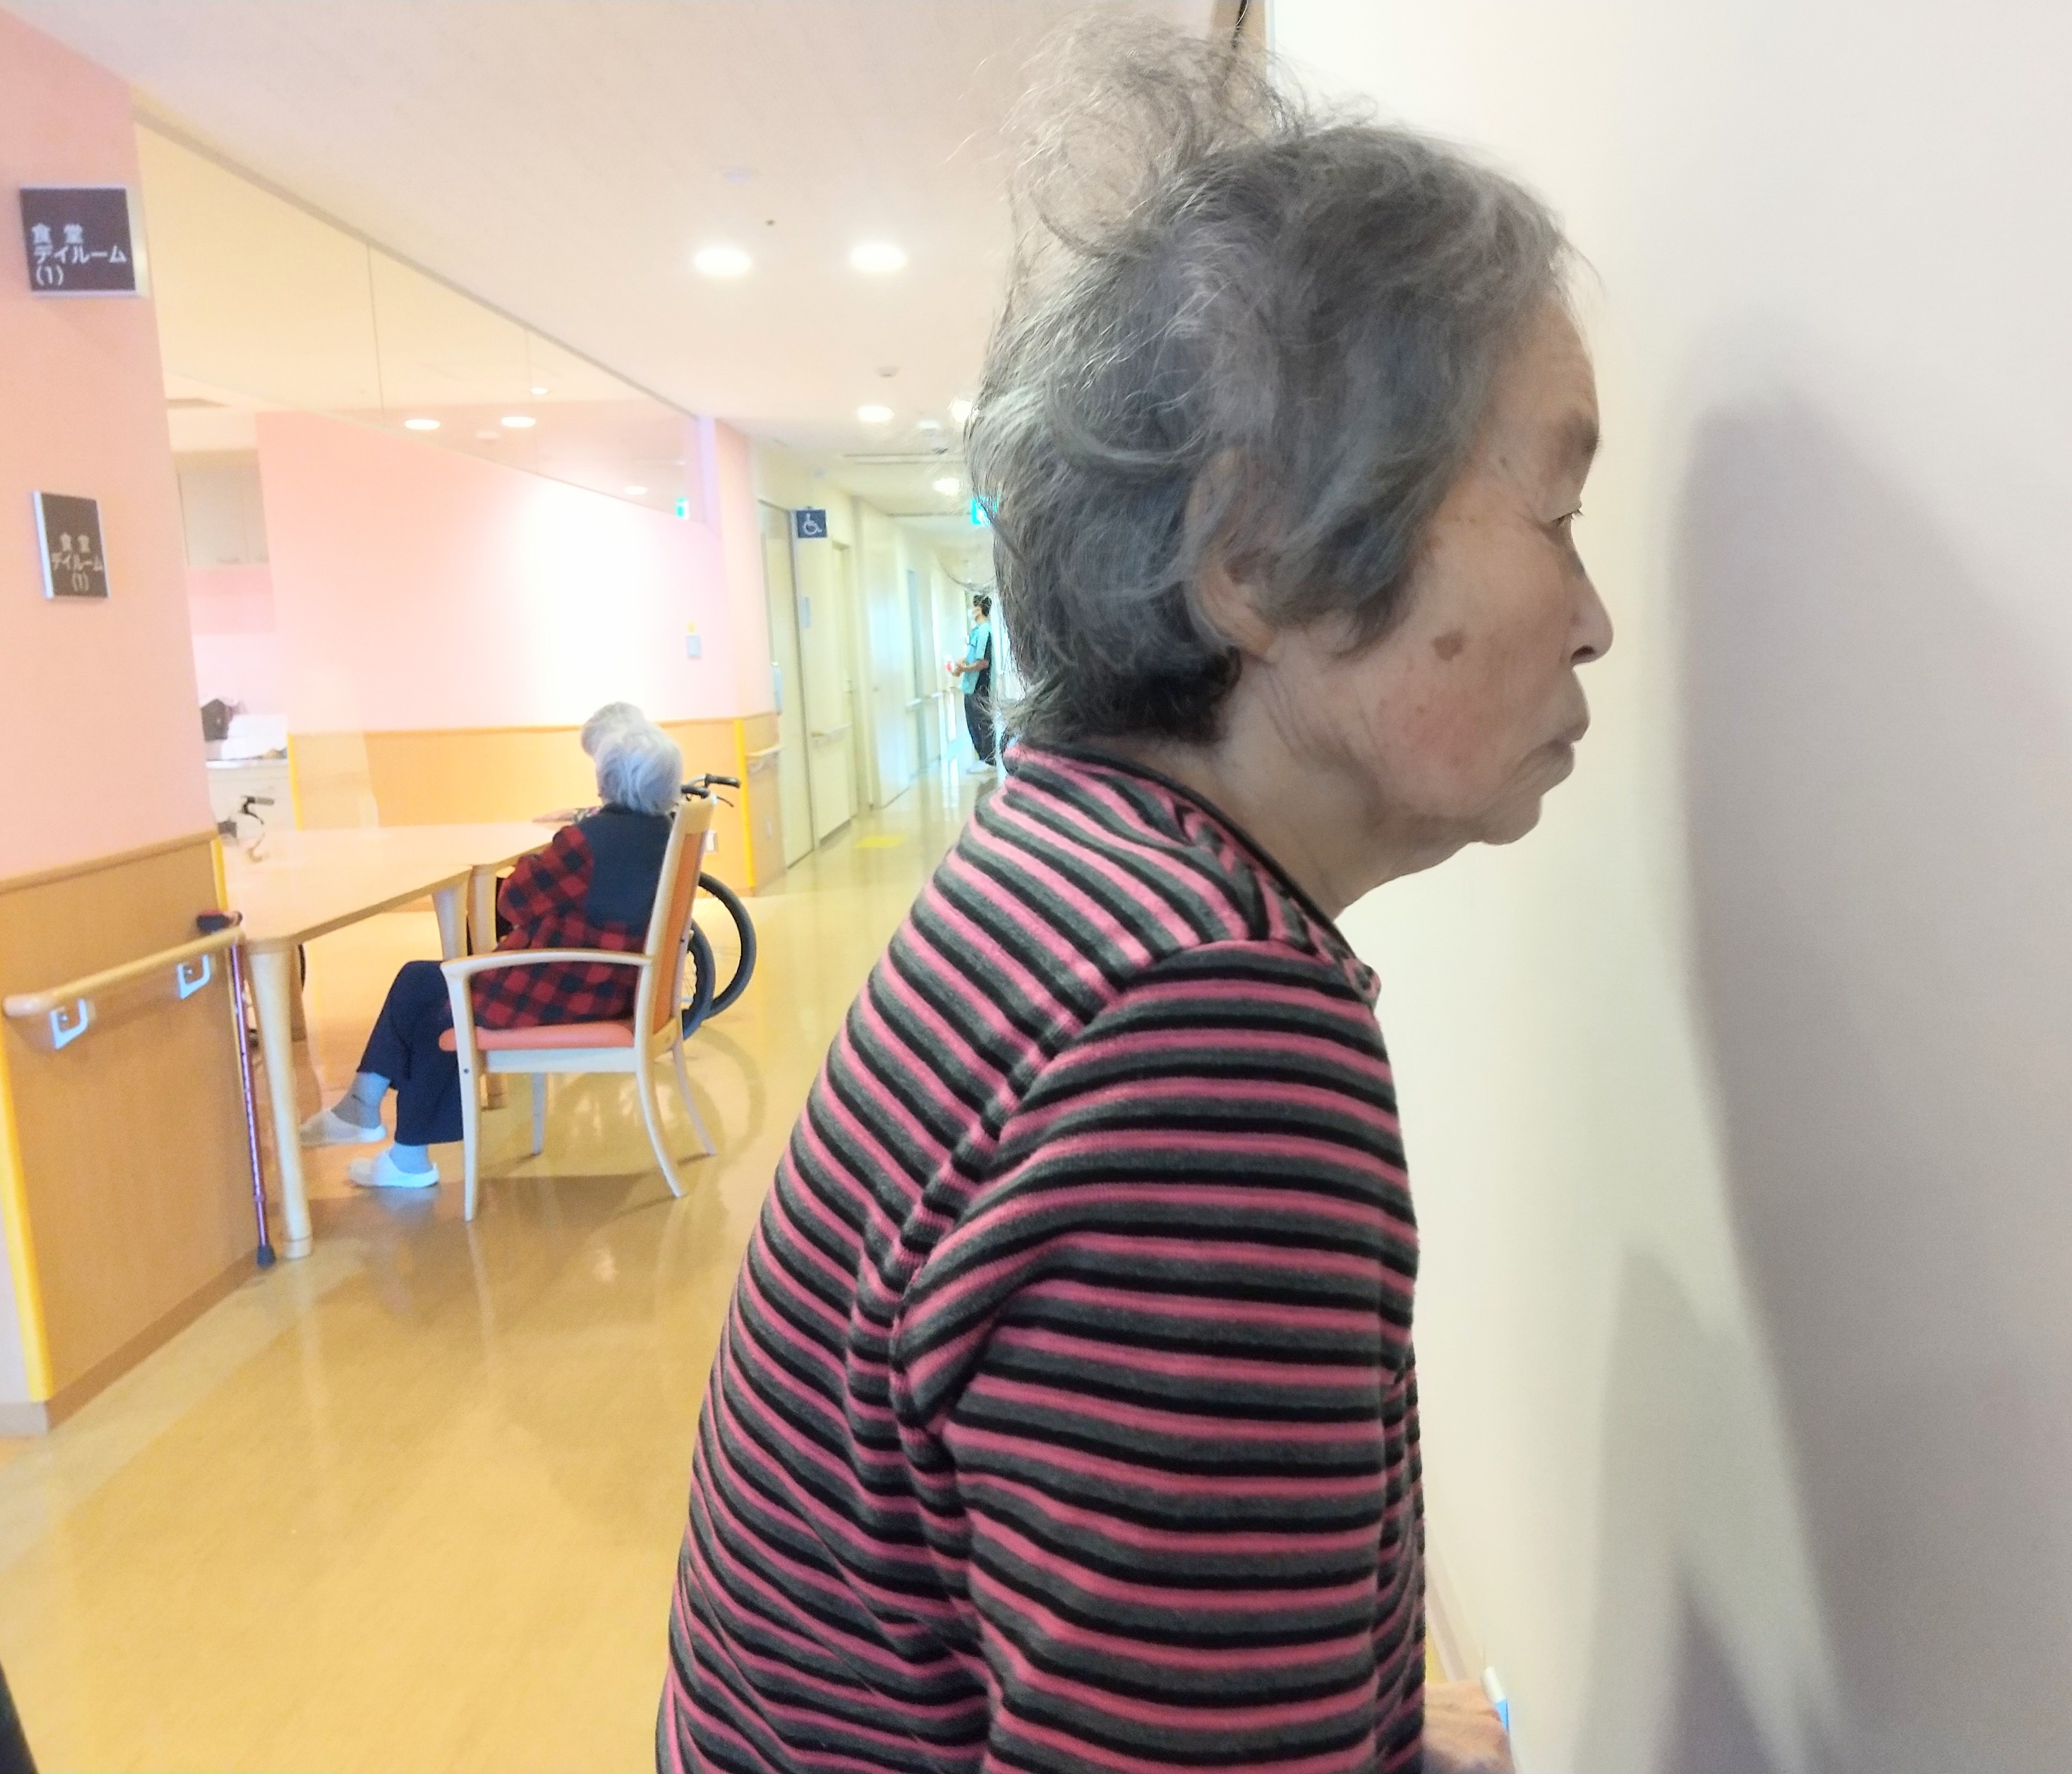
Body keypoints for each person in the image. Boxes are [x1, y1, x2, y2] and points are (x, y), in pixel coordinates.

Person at [662, 25, 1608, 1774]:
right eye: (1554, 510)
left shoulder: (1070, 869)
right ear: (1252, 556)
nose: (1595, 617)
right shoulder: (1203, 1028)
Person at [299, 722, 687, 1187]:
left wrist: (539, 860)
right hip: (614, 982)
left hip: (568, 986)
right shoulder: (665, 833)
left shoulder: (588, 842)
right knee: (420, 980)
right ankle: (365, 1108)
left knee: (441, 1013)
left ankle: (403, 1154)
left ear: (609, 778)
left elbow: (513, 904)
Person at [945, 591, 997, 771]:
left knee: (982, 724)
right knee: (974, 725)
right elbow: (973, 657)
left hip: (980, 687)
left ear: (980, 609)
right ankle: (984, 759)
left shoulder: (984, 632)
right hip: (971, 686)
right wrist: (962, 665)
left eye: (974, 607)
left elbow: (983, 663)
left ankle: (989, 761)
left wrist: (963, 668)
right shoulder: (977, 632)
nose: (971, 610)